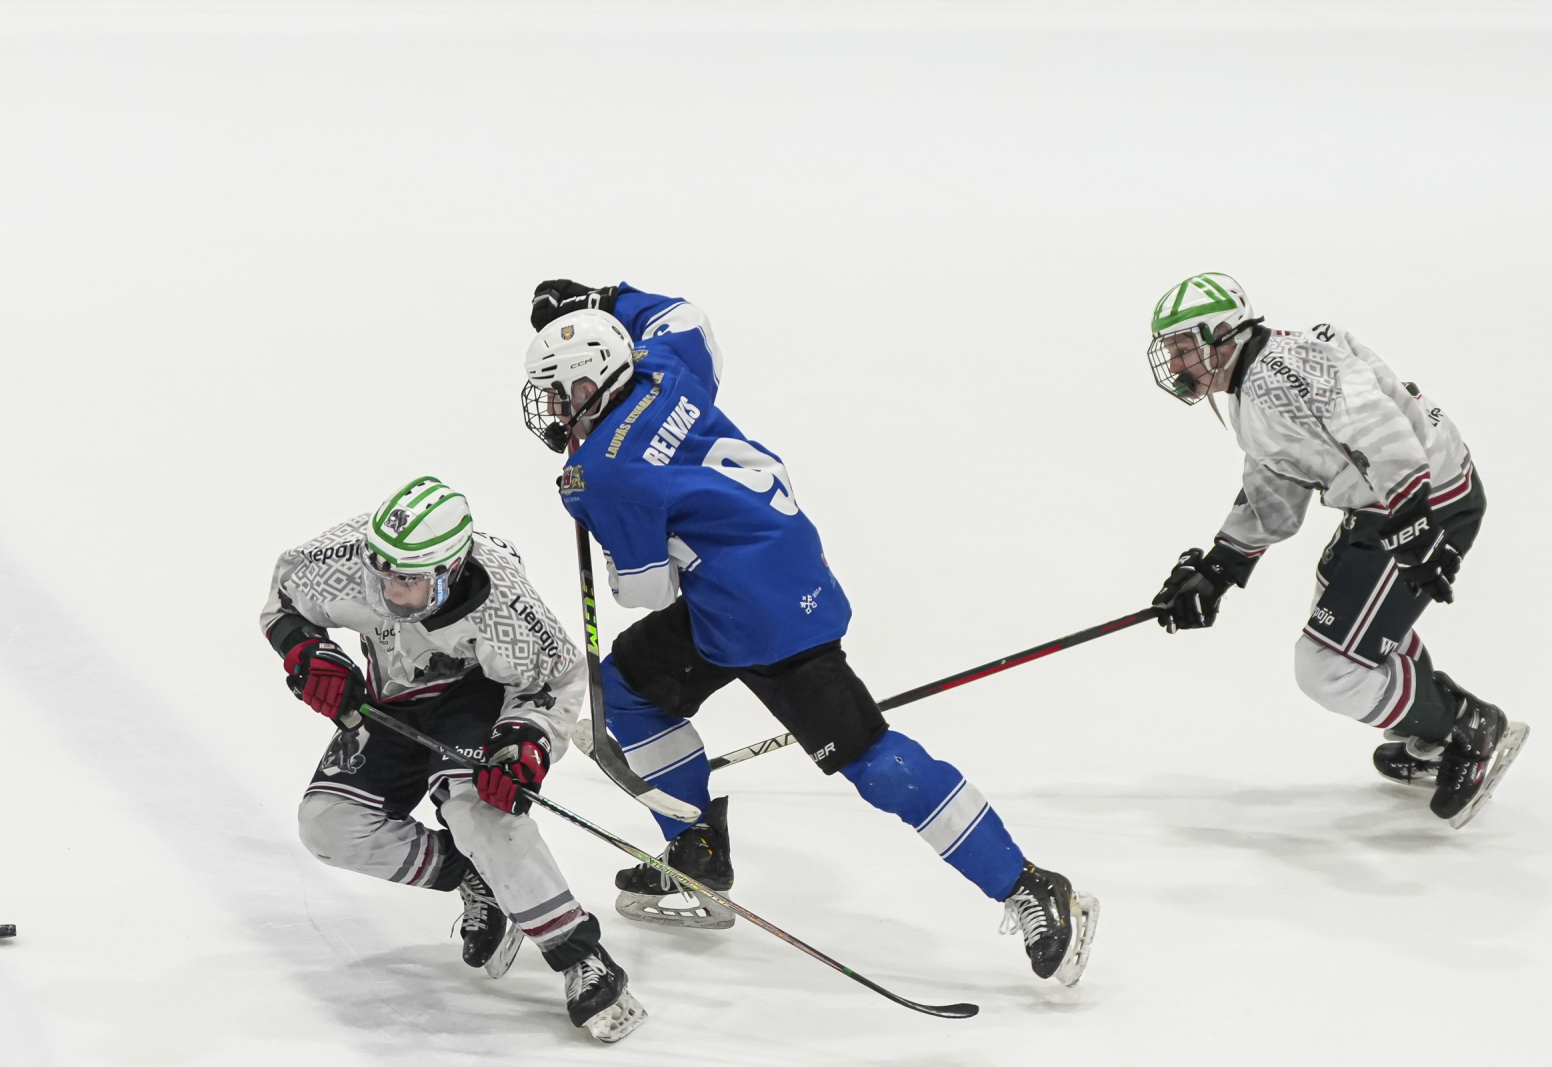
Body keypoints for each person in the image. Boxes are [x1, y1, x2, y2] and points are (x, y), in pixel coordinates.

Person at [516, 280, 1098, 986]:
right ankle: (696, 850)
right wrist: (605, 296)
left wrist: (606, 519)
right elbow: (685, 317)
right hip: (771, 575)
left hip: (759, 618)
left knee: (872, 760)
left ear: (589, 385)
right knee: (627, 689)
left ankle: (1031, 884)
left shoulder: (603, 472)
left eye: (558, 394)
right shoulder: (664, 367)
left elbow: (645, 591)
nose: (552, 410)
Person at [260, 475, 645, 1042]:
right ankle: (474, 875)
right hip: (392, 700)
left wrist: (524, 742)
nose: (391, 592)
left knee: (478, 812)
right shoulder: (345, 559)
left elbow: (555, 681)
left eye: (408, 581)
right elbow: (285, 598)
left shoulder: (506, 604)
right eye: (384, 574)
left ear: (451, 569)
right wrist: (307, 651)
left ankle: (583, 958)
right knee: (329, 826)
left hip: (473, 697)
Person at [1144, 273, 1529, 827]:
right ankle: (1435, 729)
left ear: (1224, 333)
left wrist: (1413, 521)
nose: (1176, 363)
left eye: (1184, 346)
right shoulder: (1253, 384)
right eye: (1171, 350)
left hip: (1425, 502)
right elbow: (1276, 480)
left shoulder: (1286, 370)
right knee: (1346, 633)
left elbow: (1377, 425)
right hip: (1384, 504)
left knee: (1328, 668)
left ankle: (1466, 727)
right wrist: (1221, 566)